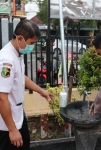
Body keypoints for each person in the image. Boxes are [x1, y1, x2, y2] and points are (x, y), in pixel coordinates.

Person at [0, 19, 54, 150]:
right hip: (7, 125)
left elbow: (21, 77)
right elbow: (1, 97)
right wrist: (12, 130)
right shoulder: (6, 60)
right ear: (20, 39)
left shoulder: (17, 53)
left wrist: (42, 91)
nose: (33, 47)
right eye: (31, 43)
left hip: (18, 116)